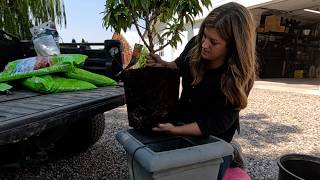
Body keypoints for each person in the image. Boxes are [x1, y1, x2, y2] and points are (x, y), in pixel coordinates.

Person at [146, 2, 257, 179]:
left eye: (214, 42)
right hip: (185, 117)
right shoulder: (196, 45)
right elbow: (180, 65)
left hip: (214, 136)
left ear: (233, 47)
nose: (204, 44)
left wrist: (176, 131)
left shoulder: (239, 76)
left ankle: (231, 153)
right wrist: (164, 64)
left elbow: (218, 122)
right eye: (205, 36)